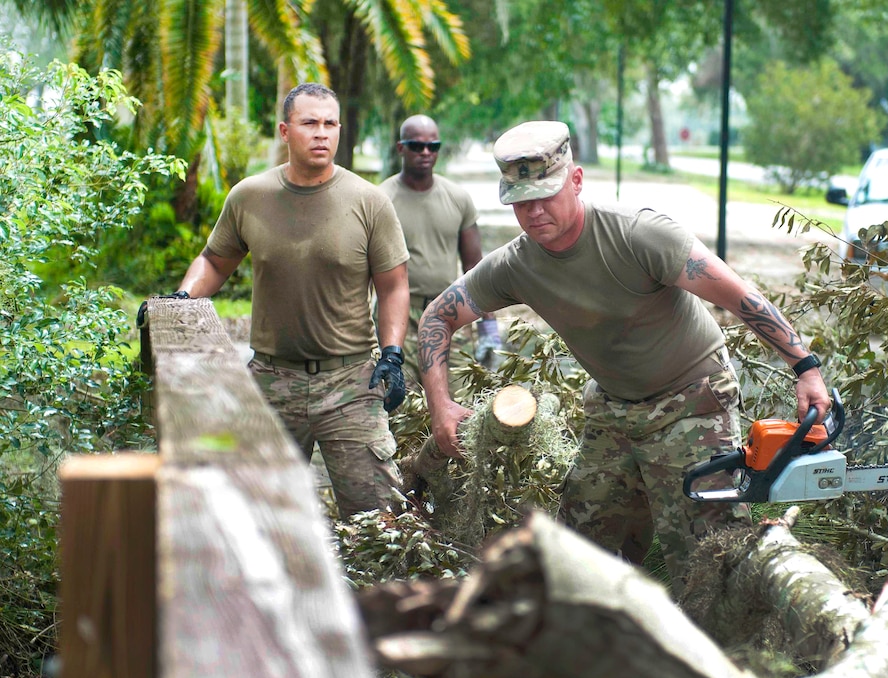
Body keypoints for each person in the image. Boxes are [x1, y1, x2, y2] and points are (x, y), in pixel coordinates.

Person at [417, 120, 830, 591]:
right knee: (573, 554)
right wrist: (441, 405)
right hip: (613, 412)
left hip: (691, 404)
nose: (533, 213)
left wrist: (805, 367)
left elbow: (740, 296)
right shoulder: (516, 265)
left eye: (545, 195)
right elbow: (436, 317)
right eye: (519, 202)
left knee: (709, 560)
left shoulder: (639, 234)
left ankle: (718, 655)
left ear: (576, 181)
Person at [166, 82, 410, 519]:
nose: (321, 133)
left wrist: (392, 354)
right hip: (272, 380)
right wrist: (183, 298)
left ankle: (375, 589)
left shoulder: (369, 202)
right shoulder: (250, 197)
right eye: (309, 123)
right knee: (261, 516)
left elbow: (393, 285)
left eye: (330, 123)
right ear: (284, 130)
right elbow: (215, 261)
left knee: (379, 521)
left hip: (350, 382)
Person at [379, 114, 502, 382]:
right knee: (404, 404)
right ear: (401, 148)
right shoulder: (381, 201)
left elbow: (474, 266)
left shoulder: (457, 198)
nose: (425, 152)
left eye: (432, 146)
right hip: (402, 316)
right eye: (416, 145)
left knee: (458, 396)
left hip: (449, 311)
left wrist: (488, 327)